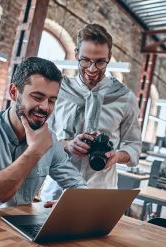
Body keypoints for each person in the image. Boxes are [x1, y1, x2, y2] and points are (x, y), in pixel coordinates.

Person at [0, 57, 87, 213]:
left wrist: (68, 203)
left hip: (15, 229)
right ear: (14, 92)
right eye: (37, 97)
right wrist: (34, 151)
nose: (45, 107)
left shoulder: (49, 139)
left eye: (51, 100)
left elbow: (79, 187)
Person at [41, 23, 141, 201]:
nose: (92, 69)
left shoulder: (125, 98)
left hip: (101, 193)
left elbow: (133, 146)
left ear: (109, 57)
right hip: (57, 190)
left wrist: (117, 156)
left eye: (100, 61)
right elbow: (41, 137)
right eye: (85, 60)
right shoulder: (58, 91)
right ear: (76, 53)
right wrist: (67, 145)